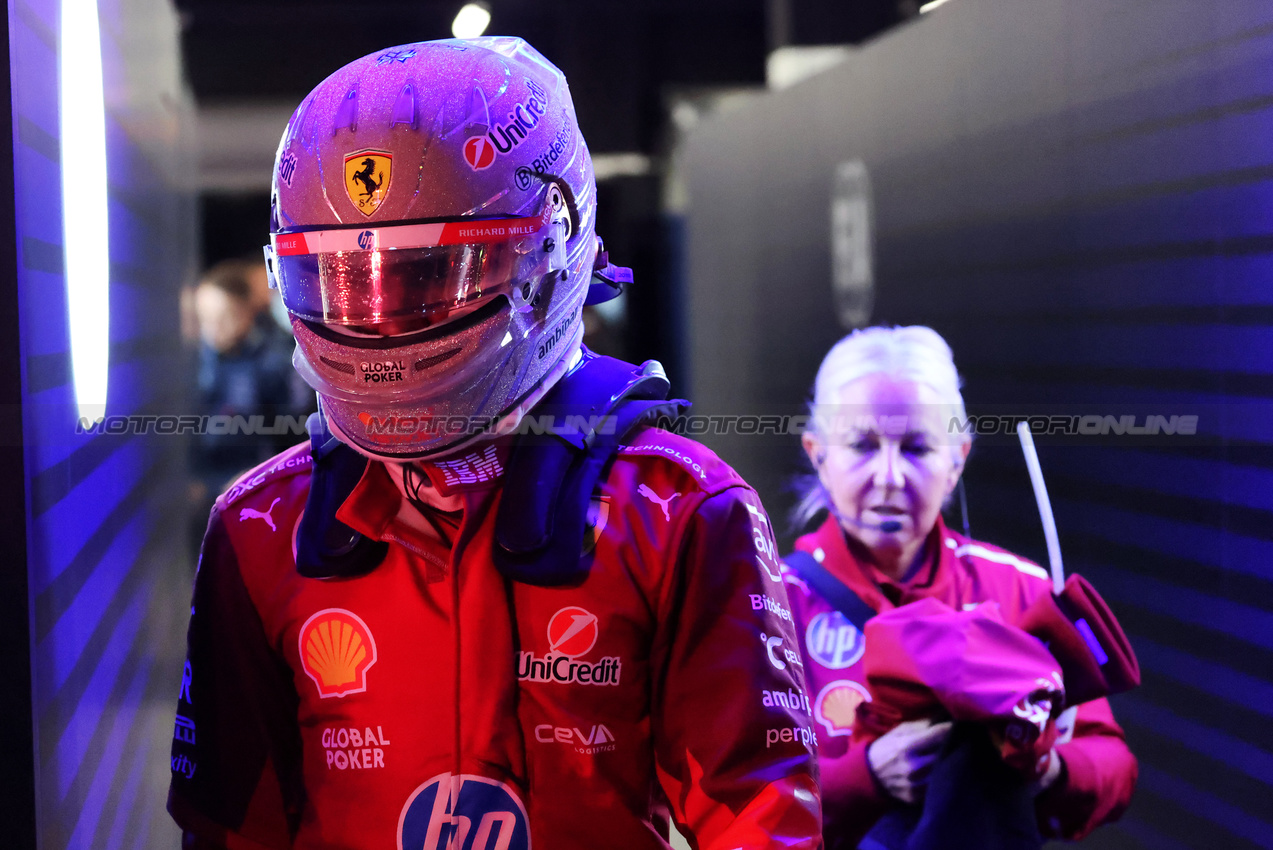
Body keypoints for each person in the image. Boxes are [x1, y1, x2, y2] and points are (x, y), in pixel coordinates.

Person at [168, 37, 821, 849]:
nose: (378, 319)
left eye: (426, 278)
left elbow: (757, 822)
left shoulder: (677, 510)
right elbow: (234, 830)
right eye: (341, 281)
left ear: (549, 250)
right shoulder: (264, 529)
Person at [784, 326, 1136, 849]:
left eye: (917, 448)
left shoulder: (1020, 589)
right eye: (862, 445)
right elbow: (732, 790)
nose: (888, 476)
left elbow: (1112, 764)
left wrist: (1047, 770)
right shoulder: (771, 603)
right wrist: (867, 776)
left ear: (957, 461)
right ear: (818, 455)